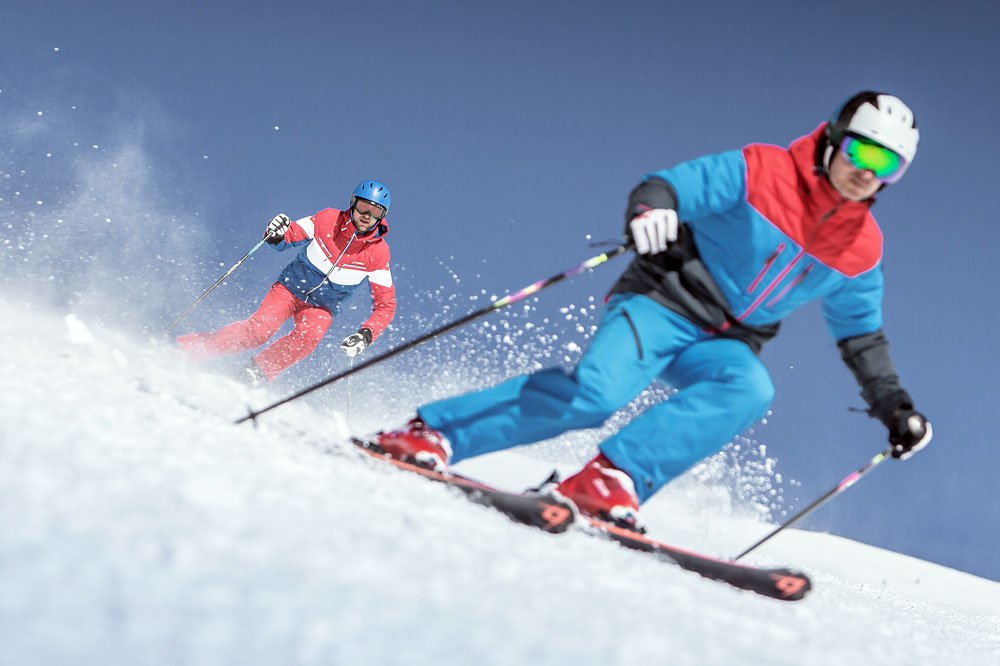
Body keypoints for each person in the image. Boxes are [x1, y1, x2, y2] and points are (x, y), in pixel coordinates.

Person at [371, 91, 933, 532]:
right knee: (595, 395)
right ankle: (433, 432)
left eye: (888, 164)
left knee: (750, 390)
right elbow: (671, 186)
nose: (868, 170)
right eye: (862, 150)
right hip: (662, 302)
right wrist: (651, 210)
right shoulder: (764, 169)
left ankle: (611, 478)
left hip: (727, 343)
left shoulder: (862, 249)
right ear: (835, 137)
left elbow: (862, 336)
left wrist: (894, 408)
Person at [176, 180, 397, 386]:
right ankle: (193, 348)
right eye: (363, 207)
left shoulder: (378, 254)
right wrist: (277, 233)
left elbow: (386, 305)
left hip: (321, 307)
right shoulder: (327, 220)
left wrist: (366, 334)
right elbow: (290, 235)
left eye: (375, 211)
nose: (367, 215)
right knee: (259, 331)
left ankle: (255, 372)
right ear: (352, 203)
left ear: (382, 215)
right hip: (290, 290)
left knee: (309, 337)